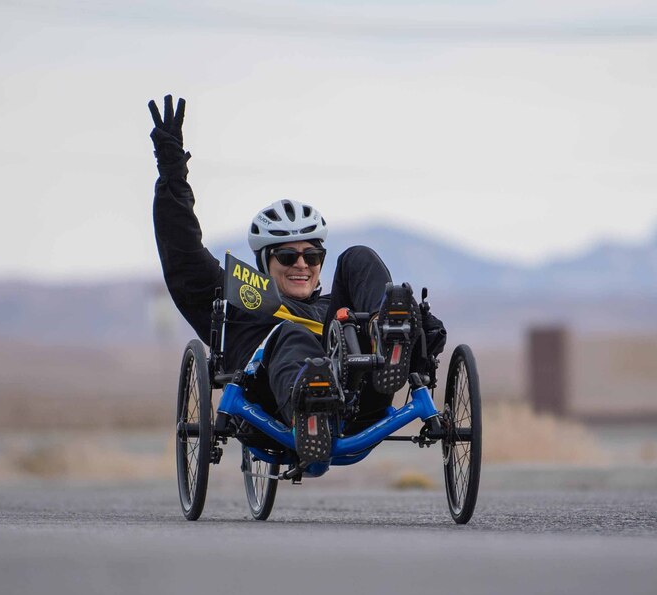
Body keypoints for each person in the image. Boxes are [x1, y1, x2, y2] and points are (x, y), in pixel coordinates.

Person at [148, 94, 445, 465]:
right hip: (278, 413)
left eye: (313, 255)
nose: (301, 264)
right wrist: (172, 174)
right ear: (263, 260)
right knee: (288, 333)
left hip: (360, 399)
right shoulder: (243, 300)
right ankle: (311, 402)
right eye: (287, 256)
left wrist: (422, 329)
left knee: (359, 257)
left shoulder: (332, 307)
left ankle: (390, 337)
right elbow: (184, 256)